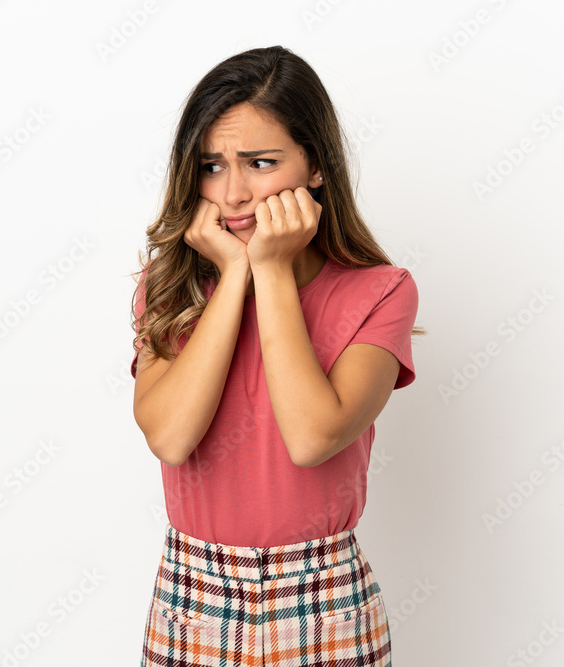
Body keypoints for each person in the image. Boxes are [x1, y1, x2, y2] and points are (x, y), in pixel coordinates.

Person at [130, 45, 425, 666]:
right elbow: (170, 436)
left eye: (260, 163)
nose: (232, 192)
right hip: (192, 593)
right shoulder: (169, 287)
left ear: (316, 167)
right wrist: (234, 276)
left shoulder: (380, 291)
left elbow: (313, 436)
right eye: (211, 165)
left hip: (322, 597)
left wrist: (271, 268)